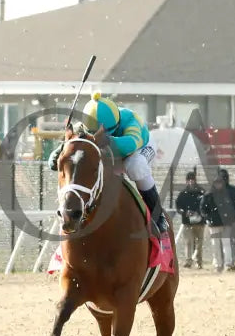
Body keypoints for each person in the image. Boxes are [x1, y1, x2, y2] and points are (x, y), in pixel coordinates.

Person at [50, 92, 168, 233]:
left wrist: (108, 140)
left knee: (135, 165)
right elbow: (63, 154)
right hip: (111, 154)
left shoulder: (131, 121)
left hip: (140, 148)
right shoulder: (83, 125)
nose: (100, 135)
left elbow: (130, 144)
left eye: (108, 132)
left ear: (116, 124)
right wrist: (61, 150)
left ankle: (158, 215)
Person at [201, 172, 235, 272]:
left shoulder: (226, 194)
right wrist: (208, 218)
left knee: (227, 244)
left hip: (226, 223)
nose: (218, 184)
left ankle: (228, 264)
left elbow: (231, 207)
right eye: (216, 182)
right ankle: (218, 264)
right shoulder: (209, 195)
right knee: (215, 245)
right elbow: (203, 209)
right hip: (213, 224)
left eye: (220, 182)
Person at [175, 171, 206, 268]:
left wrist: (198, 212)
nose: (191, 182)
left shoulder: (201, 192)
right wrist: (185, 212)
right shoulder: (183, 194)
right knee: (188, 242)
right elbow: (178, 207)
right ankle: (188, 261)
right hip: (187, 222)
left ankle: (199, 261)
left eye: (192, 180)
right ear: (186, 181)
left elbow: (205, 205)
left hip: (200, 222)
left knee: (199, 243)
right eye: (189, 180)